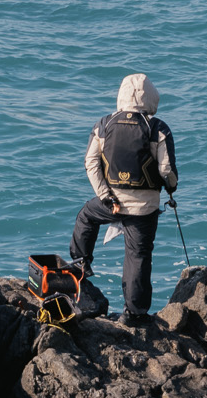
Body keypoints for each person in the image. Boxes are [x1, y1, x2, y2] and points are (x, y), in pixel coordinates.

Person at [68, 73, 177, 320]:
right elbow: (166, 170)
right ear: (151, 97)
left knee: (86, 217)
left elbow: (90, 163)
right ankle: (134, 313)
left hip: (112, 203)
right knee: (138, 255)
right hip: (144, 207)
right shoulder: (157, 128)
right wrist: (171, 188)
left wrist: (105, 196)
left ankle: (80, 264)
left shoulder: (103, 124)